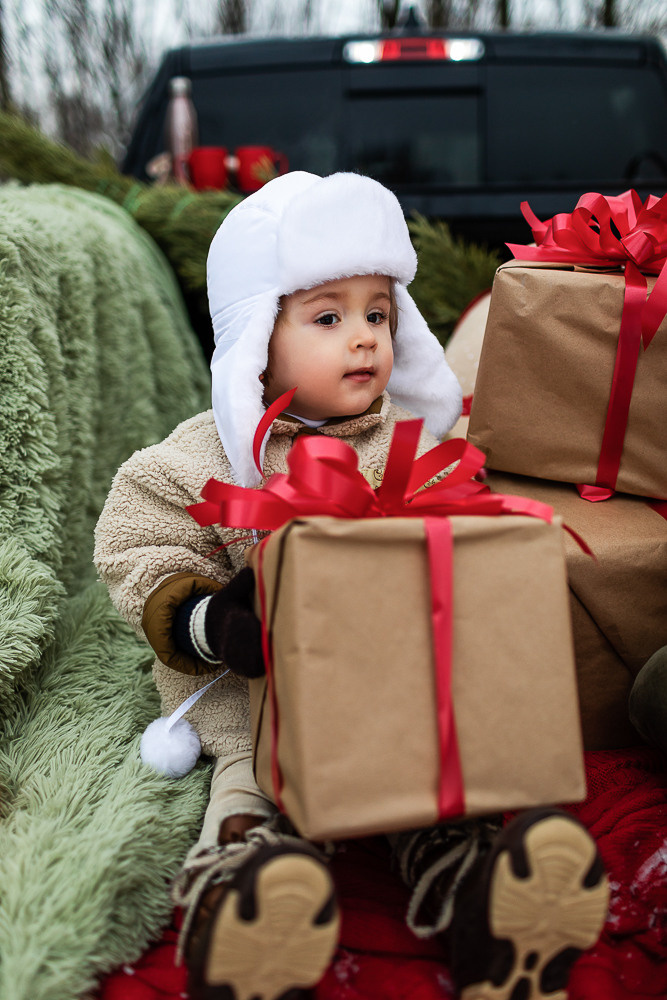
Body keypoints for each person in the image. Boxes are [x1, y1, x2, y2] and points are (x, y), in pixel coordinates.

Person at [94, 171, 609, 1000]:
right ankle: (249, 899)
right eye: (327, 317)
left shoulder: (409, 445)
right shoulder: (191, 463)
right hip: (257, 700)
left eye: (378, 312)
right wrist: (211, 619)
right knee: (249, 790)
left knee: (438, 794)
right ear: (255, 335)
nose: (364, 337)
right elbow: (137, 551)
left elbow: (459, 540)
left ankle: (486, 902)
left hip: (394, 697)